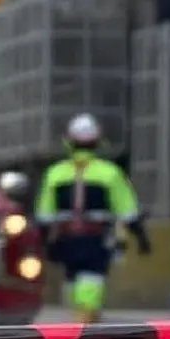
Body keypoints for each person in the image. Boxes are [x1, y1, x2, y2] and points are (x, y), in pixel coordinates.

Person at [35, 113, 151, 323]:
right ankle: (85, 324)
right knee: (92, 284)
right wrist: (142, 239)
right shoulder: (110, 173)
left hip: (66, 241)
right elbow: (129, 212)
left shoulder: (54, 174)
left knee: (73, 284)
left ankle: (82, 322)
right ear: (97, 142)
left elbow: (44, 216)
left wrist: (41, 243)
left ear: (69, 141)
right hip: (96, 241)